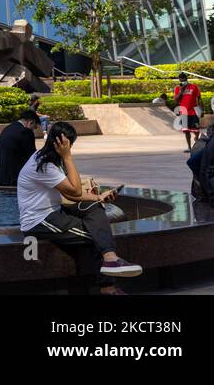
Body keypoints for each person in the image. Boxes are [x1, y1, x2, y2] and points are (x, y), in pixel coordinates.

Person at [18, 121, 142, 293]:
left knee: (93, 206)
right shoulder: (43, 165)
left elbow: (71, 194)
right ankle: (108, 288)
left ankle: (110, 258)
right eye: (69, 145)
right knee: (97, 235)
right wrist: (68, 157)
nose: (70, 148)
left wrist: (98, 197)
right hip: (39, 221)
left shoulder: (49, 159)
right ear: (62, 144)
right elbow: (75, 190)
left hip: (55, 212)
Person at [0, 109, 38, 186]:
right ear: (31, 122)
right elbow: (32, 156)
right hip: (15, 178)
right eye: (34, 127)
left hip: (0, 177)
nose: (33, 130)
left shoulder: (8, 128)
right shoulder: (26, 132)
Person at [171, 72, 202, 152]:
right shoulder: (178, 88)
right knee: (186, 131)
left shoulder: (194, 87)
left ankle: (197, 139)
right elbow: (176, 100)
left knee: (196, 130)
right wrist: (181, 91)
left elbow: (199, 99)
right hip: (184, 112)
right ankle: (189, 147)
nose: (182, 80)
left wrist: (201, 110)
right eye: (181, 79)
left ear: (186, 79)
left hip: (193, 111)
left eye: (183, 79)